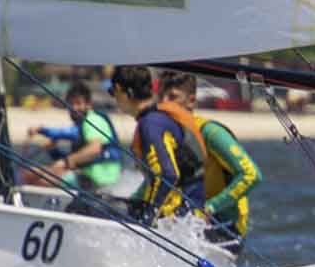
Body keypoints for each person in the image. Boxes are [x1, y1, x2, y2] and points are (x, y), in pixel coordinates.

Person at [155, 72, 262, 245]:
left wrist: (210, 207)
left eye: (172, 97)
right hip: (187, 221)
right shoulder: (164, 135)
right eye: (160, 97)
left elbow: (252, 175)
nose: (164, 103)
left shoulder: (210, 132)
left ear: (191, 101)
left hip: (225, 228)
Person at [110, 65, 201, 223]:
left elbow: (169, 175)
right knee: (101, 201)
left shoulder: (150, 124)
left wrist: (149, 215)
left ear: (122, 91)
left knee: (82, 206)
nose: (115, 99)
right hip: (176, 210)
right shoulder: (156, 120)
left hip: (169, 215)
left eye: (113, 93)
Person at [23, 81, 122, 190]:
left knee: (42, 181)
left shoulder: (93, 120)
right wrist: (54, 151)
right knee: (31, 173)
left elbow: (94, 149)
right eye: (71, 104)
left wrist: (66, 162)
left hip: (101, 177)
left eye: (78, 103)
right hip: (88, 173)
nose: (74, 108)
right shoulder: (81, 125)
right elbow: (77, 157)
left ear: (89, 105)